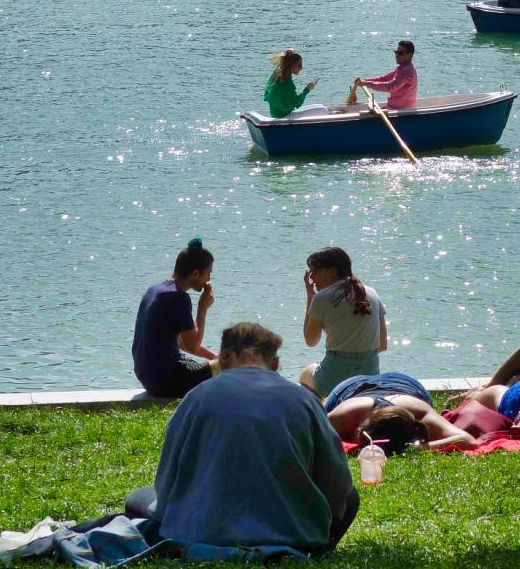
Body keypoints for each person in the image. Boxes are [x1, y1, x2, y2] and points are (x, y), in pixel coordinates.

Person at [137, 322, 357, 554]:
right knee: (350, 498)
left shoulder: (196, 398)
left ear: (222, 360)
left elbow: (167, 479)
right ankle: (317, 550)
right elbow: (337, 480)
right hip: (292, 535)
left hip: (201, 532)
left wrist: (171, 518)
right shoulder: (306, 401)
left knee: (139, 497)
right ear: (275, 364)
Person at [132, 237, 217, 399]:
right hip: (166, 381)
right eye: (208, 273)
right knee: (227, 365)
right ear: (195, 273)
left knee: (215, 362)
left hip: (148, 377)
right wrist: (202, 308)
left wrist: (212, 357)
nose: (208, 279)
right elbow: (193, 345)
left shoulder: (155, 290)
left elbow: (181, 343)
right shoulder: (178, 298)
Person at [300, 246, 387, 397]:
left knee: (306, 373)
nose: (311, 277)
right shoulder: (372, 293)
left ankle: (318, 414)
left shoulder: (323, 298)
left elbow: (310, 341)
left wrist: (311, 297)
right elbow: (382, 345)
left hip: (335, 378)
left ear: (333, 271)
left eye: (315, 271)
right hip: (369, 376)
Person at [324, 372, 474, 451]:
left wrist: (418, 447)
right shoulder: (347, 415)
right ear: (359, 428)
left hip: (404, 384)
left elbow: (467, 440)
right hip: (353, 387)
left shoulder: (420, 415)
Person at [352, 40, 417, 110]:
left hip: (403, 111)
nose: (396, 55)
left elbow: (390, 87)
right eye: (396, 52)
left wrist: (367, 83)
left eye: (400, 53)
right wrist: (364, 81)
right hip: (394, 108)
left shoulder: (407, 71)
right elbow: (384, 78)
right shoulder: (402, 68)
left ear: (409, 56)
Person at [263, 49, 319, 118]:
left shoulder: (277, 73)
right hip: (284, 117)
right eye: (299, 65)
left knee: (318, 106)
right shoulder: (286, 83)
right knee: (322, 110)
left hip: (276, 114)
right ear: (292, 65)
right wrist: (307, 89)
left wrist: (289, 54)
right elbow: (296, 103)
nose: (301, 68)